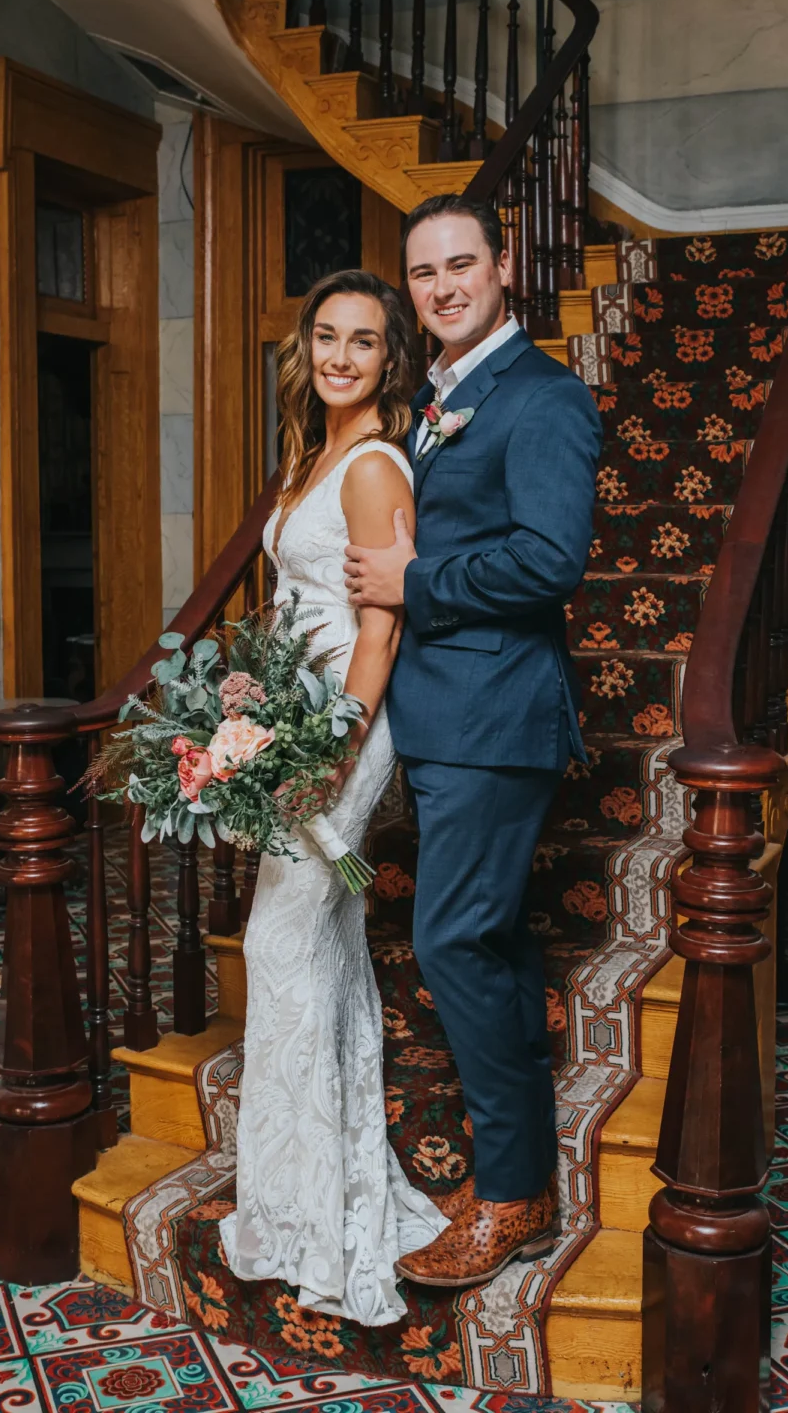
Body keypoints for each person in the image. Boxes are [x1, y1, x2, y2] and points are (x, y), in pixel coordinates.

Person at [343, 193, 602, 1289]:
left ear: (505, 269)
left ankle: (512, 1199)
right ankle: (515, 1166)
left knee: (450, 943)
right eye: (422, 273)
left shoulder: (539, 396)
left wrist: (415, 583)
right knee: (482, 940)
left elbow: (551, 561)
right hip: (444, 713)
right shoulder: (436, 398)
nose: (442, 287)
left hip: (495, 716)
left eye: (461, 265)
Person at [219, 269, 448, 1326]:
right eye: (325, 336)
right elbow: (293, 607)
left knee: (282, 947)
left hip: (343, 733)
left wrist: (334, 754)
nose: (340, 357)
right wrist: (243, 715)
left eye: (363, 342)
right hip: (294, 724)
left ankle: (321, 1222)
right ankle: (316, 1197)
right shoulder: (309, 453)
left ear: (389, 361)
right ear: (304, 346)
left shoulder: (370, 466)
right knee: (320, 949)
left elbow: (381, 629)